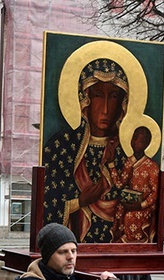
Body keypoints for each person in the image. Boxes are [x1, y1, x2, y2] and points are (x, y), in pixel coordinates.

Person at [43, 58, 129, 242]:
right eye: (98, 95)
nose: (105, 109)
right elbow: (49, 202)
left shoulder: (126, 152)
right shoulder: (62, 146)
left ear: (123, 103)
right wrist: (80, 202)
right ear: (85, 99)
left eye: (113, 97)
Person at [113, 126, 160, 243]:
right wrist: (110, 165)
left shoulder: (152, 166)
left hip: (144, 207)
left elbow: (155, 192)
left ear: (145, 143)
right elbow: (120, 184)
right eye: (133, 137)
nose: (134, 142)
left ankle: (132, 244)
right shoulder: (129, 162)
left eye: (139, 139)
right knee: (117, 210)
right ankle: (119, 241)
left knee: (131, 216)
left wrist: (140, 205)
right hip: (129, 203)